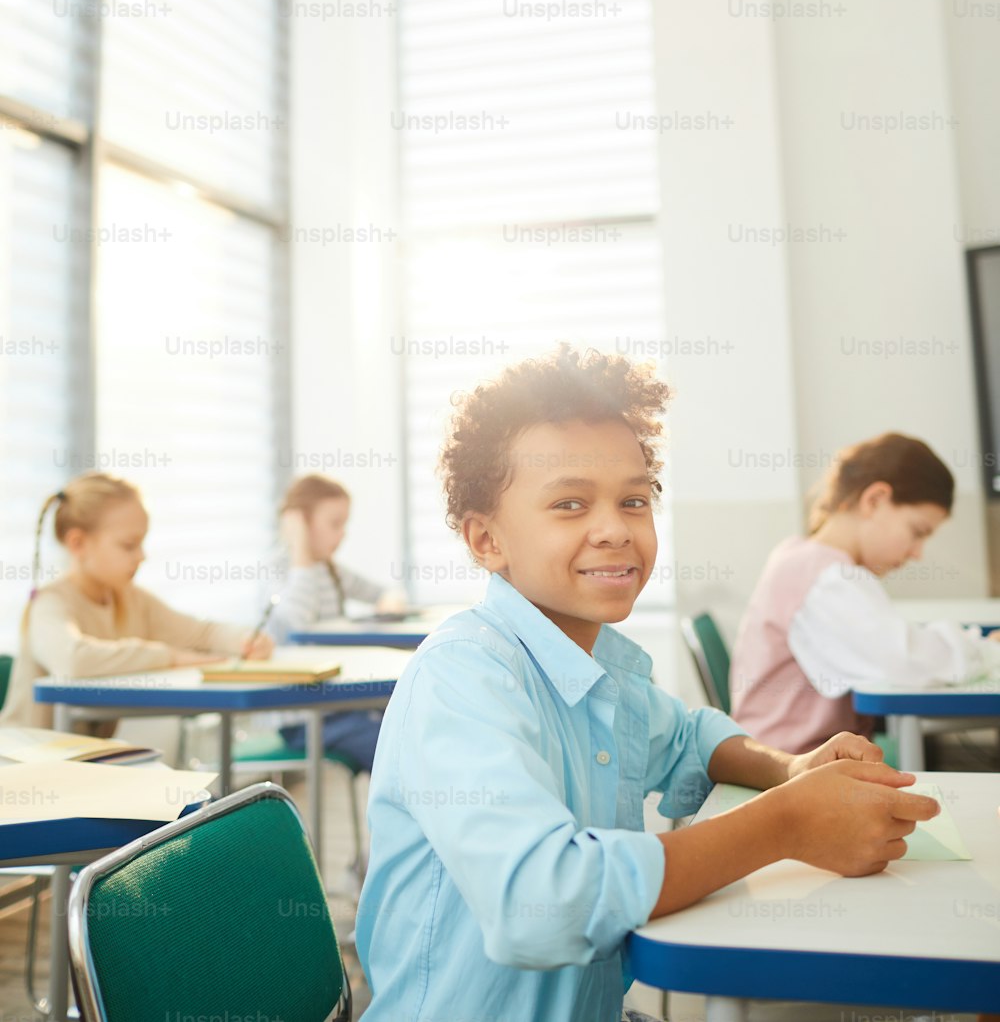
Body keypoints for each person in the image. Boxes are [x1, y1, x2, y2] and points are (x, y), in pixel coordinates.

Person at [355, 348, 938, 1022]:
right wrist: (788, 822)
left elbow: (689, 736)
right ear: (487, 540)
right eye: (570, 504)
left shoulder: (602, 667)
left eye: (634, 500)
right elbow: (542, 901)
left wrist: (791, 766)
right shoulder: (463, 678)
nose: (615, 529)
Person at [730, 432, 1000, 752]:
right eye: (917, 532)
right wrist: (984, 650)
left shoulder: (804, 557)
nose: (917, 553)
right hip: (790, 767)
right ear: (874, 500)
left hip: (798, 758)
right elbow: (902, 661)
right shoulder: (826, 578)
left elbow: (892, 646)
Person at [0, 472, 272, 730]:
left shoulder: (131, 599)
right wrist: (170, 657)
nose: (142, 556)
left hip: (85, 760)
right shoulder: (49, 604)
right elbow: (73, 660)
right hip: (23, 760)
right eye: (129, 545)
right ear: (78, 544)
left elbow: (201, 633)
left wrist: (245, 639)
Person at [267, 474, 406, 771]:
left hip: (342, 705)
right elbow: (294, 623)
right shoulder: (281, 572)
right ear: (300, 523)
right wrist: (301, 550)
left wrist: (390, 602)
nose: (342, 534)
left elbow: (384, 592)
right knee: (394, 746)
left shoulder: (330, 571)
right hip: (304, 718)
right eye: (334, 524)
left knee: (410, 723)